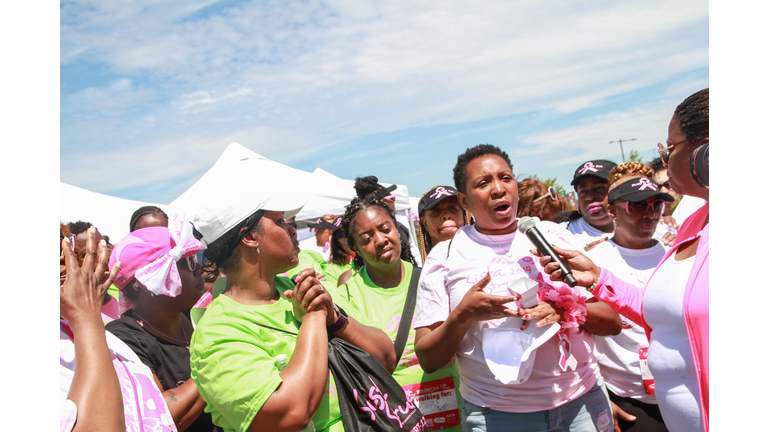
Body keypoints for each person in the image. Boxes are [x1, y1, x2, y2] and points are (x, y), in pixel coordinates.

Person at [413, 144, 622, 432]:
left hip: (582, 407)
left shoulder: (551, 236)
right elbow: (428, 358)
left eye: (506, 178)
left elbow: (612, 322)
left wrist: (566, 309)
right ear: (464, 199)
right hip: (497, 416)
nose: (498, 189)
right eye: (483, 183)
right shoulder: (445, 256)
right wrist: (463, 315)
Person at [537, 89, 709, 432]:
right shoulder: (696, 222)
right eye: (636, 204)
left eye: (670, 147)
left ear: (706, 151)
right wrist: (599, 277)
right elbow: (660, 310)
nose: (649, 211)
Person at [188, 158, 395, 432]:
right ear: (250, 237)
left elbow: (385, 357)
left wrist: (333, 318)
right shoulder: (218, 331)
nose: (292, 229)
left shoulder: (297, 286)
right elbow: (289, 415)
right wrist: (313, 319)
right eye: (279, 221)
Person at [332, 194, 463, 432]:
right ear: (356, 250)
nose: (381, 240)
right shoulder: (346, 296)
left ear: (396, 229)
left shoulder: (433, 279)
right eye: (367, 237)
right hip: (394, 423)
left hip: (456, 419)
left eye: (385, 229)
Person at [584, 162, 674, 432]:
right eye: (637, 206)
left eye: (656, 205)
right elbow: (580, 337)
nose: (649, 214)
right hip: (629, 403)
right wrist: (598, 396)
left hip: (685, 393)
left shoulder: (678, 254)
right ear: (611, 210)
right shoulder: (591, 263)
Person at [60, 226, 177, 432]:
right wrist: (84, 316)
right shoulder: (88, 323)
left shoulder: (96, 335)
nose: (63, 256)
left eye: (62, 242)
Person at [105, 214, 216, 432]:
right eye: (189, 261)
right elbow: (157, 417)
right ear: (148, 282)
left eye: (197, 259)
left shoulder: (198, 316)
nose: (198, 269)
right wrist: (218, 362)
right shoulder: (122, 340)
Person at [354, 175, 420, 265]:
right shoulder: (398, 228)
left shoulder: (400, 227)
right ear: (381, 202)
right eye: (391, 197)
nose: (381, 240)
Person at [561, 160, 618, 248]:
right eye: (583, 191)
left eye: (599, 188)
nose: (590, 196)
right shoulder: (562, 234)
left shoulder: (641, 228)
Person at [416, 185, 471, 263]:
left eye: (453, 208)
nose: (446, 216)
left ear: (463, 216)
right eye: (436, 211)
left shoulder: (485, 256)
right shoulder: (424, 270)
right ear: (425, 223)